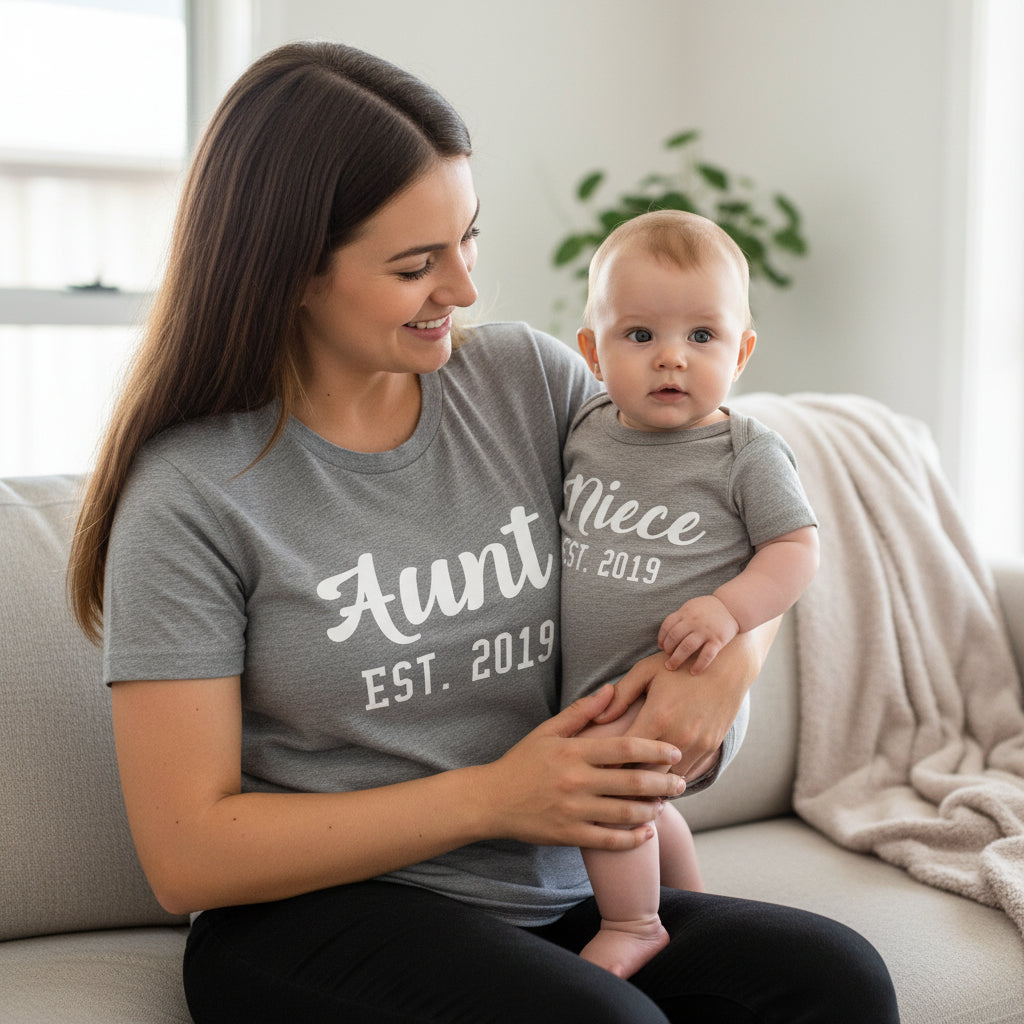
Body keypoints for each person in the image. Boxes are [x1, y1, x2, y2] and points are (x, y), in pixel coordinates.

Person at [66, 41, 898, 1023]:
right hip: (313, 919)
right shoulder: (191, 494)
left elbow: (727, 526)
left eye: (468, 239)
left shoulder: (525, 383)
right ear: (289, 271)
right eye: (417, 264)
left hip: (543, 887)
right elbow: (186, 853)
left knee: (836, 977)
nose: (463, 289)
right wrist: (497, 797)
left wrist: (725, 664)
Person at [560, 210, 820, 978]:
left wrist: (729, 610)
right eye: (639, 336)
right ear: (593, 353)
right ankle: (689, 902)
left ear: (740, 352)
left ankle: (635, 922)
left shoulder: (745, 452)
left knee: (607, 787)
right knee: (646, 806)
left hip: (690, 687)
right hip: (595, 684)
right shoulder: (584, 428)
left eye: (702, 337)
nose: (672, 358)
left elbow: (798, 550)